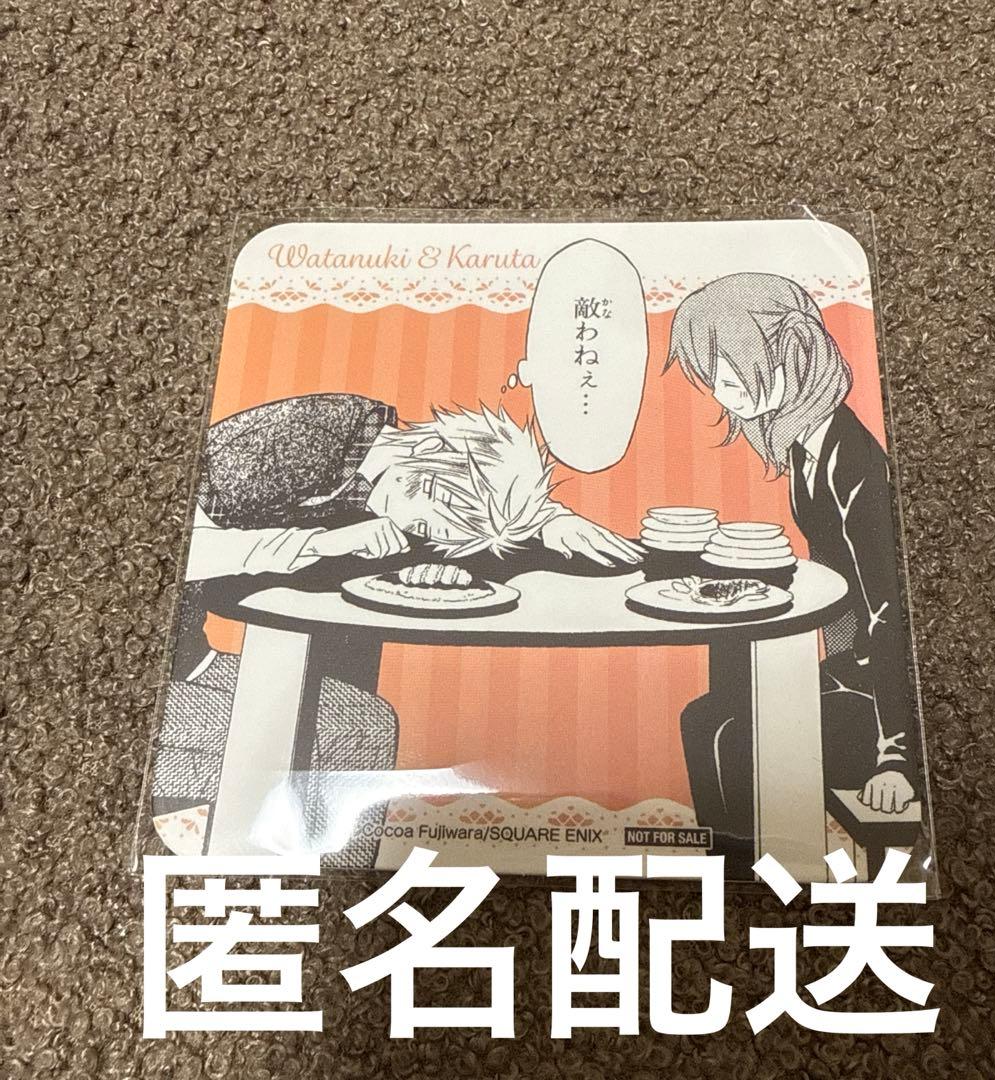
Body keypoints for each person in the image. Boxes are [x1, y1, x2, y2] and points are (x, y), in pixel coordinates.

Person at [152, 393, 642, 862]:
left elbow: (463, 489)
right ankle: (323, 884)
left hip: (198, 660)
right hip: (164, 682)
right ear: (429, 468)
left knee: (365, 715)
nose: (413, 537)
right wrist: (319, 543)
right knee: (359, 728)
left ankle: (331, 879)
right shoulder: (307, 436)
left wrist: (547, 520)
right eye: (425, 529)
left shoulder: (391, 465)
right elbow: (177, 545)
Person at [665, 273, 921, 857]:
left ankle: (761, 868)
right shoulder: (810, 448)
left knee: (729, 734)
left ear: (797, 351)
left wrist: (895, 757)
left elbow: (886, 612)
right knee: (704, 719)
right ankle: (733, 872)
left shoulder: (854, 462)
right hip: (848, 669)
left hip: (877, 695)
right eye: (715, 376)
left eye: (734, 370)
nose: (724, 390)